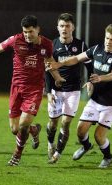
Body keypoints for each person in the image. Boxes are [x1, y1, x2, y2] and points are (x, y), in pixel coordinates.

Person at [0, 15, 65, 166]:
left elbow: (49, 62)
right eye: (25, 32)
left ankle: (17, 155)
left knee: (23, 125)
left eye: (30, 31)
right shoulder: (15, 40)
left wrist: (57, 77)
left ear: (38, 29)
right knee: (15, 129)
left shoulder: (47, 44)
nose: (27, 35)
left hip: (34, 90)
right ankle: (34, 130)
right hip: (16, 89)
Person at [48, 24, 112, 168]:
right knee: (80, 131)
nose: (108, 41)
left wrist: (100, 78)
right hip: (95, 100)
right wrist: (59, 64)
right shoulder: (96, 49)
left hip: (111, 103)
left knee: (99, 136)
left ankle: (108, 157)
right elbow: (77, 58)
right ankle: (86, 146)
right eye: (107, 38)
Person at [45, 13, 92, 164]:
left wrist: (91, 80)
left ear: (73, 27)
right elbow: (48, 69)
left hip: (73, 90)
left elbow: (89, 65)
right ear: (57, 28)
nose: (64, 29)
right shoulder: (51, 46)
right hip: (56, 90)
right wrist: (48, 92)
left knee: (65, 122)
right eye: (61, 26)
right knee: (53, 123)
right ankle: (50, 143)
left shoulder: (81, 45)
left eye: (67, 26)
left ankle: (57, 154)